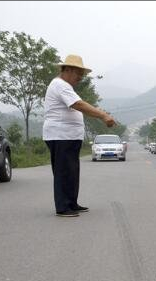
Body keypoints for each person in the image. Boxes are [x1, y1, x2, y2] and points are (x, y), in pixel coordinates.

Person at [43, 54, 116, 217]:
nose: (80, 78)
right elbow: (78, 104)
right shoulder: (60, 85)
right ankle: (62, 207)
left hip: (68, 136)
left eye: (82, 75)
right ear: (67, 70)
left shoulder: (65, 86)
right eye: (78, 74)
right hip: (60, 135)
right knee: (63, 171)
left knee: (72, 171)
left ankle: (71, 203)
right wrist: (103, 115)